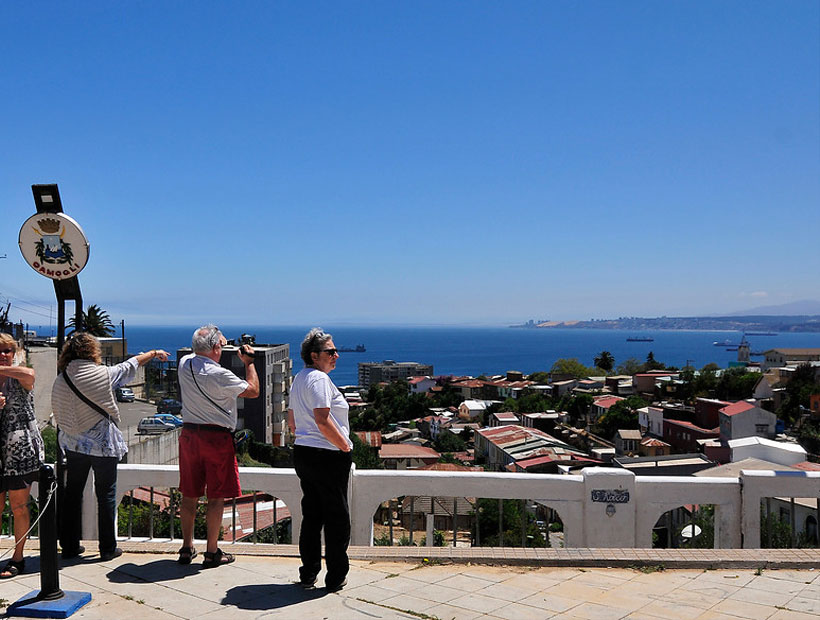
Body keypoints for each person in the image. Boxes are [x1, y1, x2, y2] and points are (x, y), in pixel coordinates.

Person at [52, 332, 170, 561]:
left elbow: (59, 412)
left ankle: (69, 546)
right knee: (105, 494)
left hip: (74, 444)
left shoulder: (61, 378)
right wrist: (154, 353)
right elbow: (131, 364)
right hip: (103, 446)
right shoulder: (103, 374)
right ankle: (107, 548)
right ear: (92, 351)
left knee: (72, 493)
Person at [176, 325, 258, 568]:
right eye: (220, 346)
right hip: (216, 438)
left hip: (190, 435)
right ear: (214, 347)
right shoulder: (220, 374)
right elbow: (253, 391)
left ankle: (186, 547)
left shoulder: (185, 364)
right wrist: (249, 362)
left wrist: (215, 341)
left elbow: (201, 351)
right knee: (216, 497)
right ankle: (211, 552)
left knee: (189, 495)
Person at [287, 328, 353, 592]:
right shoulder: (319, 380)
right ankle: (335, 576)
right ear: (314, 356)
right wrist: (345, 446)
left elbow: (292, 422)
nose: (336, 355)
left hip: (304, 452)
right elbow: (323, 419)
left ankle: (308, 573)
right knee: (337, 519)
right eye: (330, 351)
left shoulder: (299, 378)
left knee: (312, 516)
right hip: (326, 455)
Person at [0, 333, 43, 579]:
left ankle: (18, 558)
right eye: (0, 351)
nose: (4, 354)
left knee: (19, 506)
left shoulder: (20, 375)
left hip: (19, 450)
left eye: (8, 350)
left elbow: (30, 376)